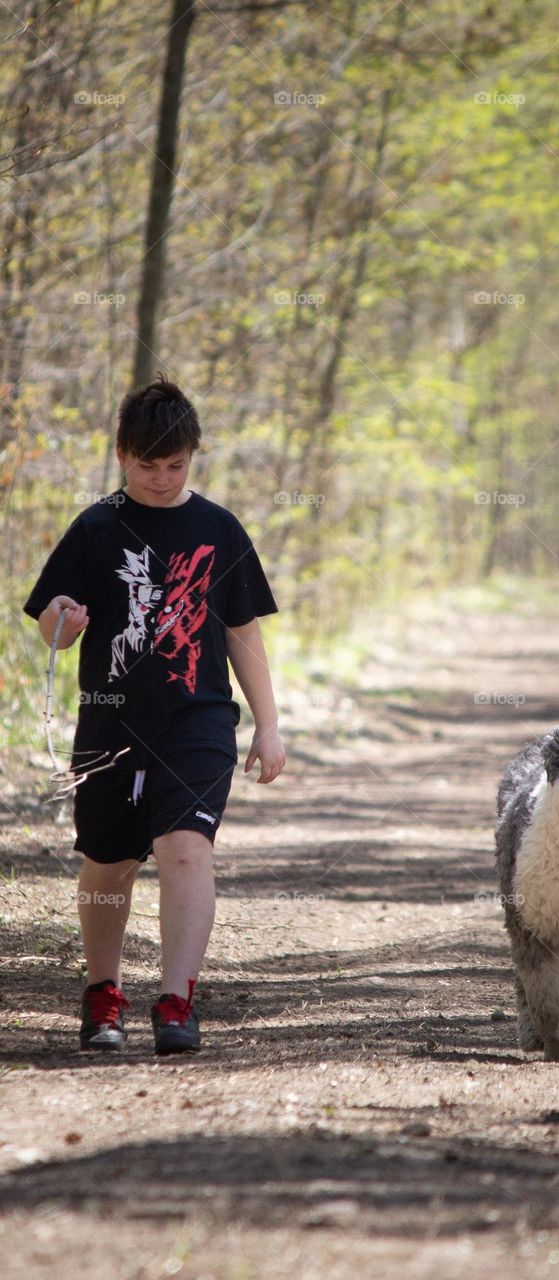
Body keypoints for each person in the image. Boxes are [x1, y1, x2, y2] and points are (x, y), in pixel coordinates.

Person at [23, 374, 286, 1054]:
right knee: (109, 862)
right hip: (111, 723)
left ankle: (175, 1000)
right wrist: (65, 620)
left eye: (176, 465)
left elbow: (242, 632)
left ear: (192, 457)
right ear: (120, 453)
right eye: (148, 465)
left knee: (186, 849)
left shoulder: (219, 529)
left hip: (198, 719)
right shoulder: (96, 526)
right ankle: (104, 994)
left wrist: (269, 723)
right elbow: (50, 628)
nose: (163, 479)